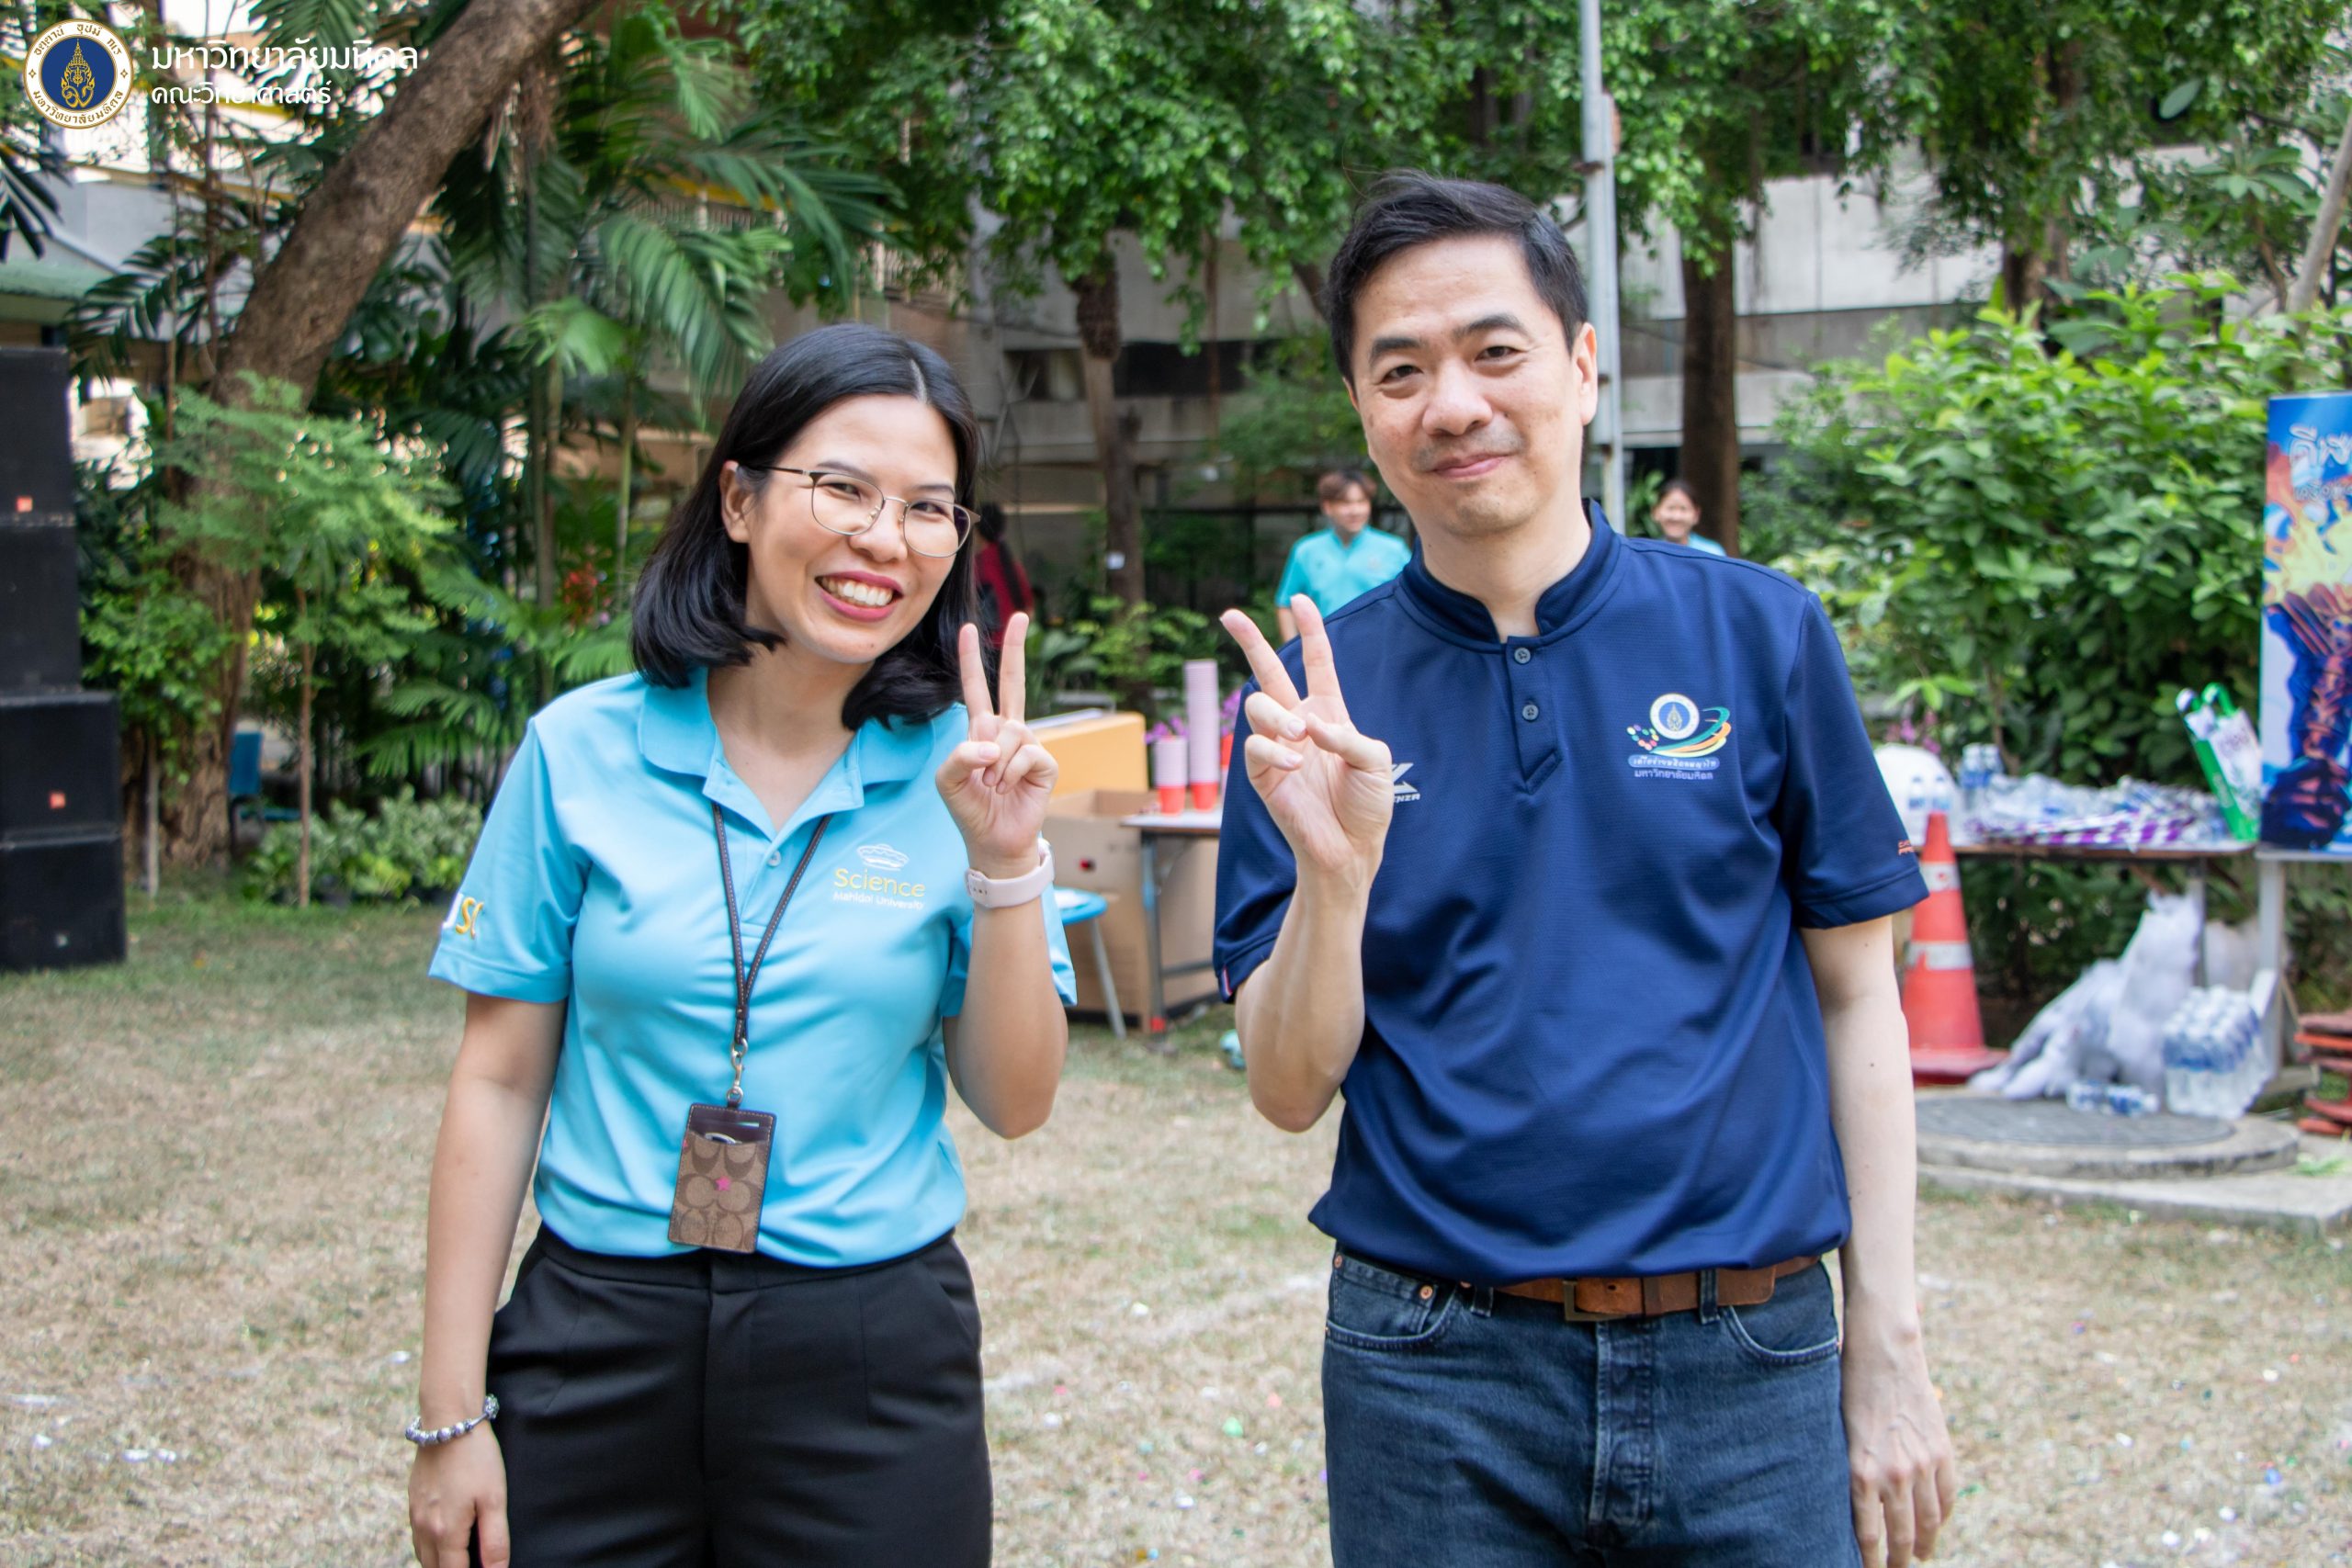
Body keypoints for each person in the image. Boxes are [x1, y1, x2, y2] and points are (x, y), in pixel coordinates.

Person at [1214, 174, 1957, 1568]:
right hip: (1431, 1373)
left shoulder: (1759, 634)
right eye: (1401, 371)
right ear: (1365, 413)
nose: (1453, 404)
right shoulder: (1312, 705)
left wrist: (1888, 1344)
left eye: (1494, 350)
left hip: (1754, 1356)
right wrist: (1334, 873)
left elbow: (1860, 996)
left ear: (1582, 365)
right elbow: (1287, 1085)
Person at [404, 322, 1076, 1568]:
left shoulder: (973, 773)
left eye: (928, 508)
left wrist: (1002, 863)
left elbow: (1016, 1100)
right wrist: (450, 1415)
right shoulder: (578, 752)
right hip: (596, 1337)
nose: (885, 539)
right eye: (844, 488)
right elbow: (497, 1083)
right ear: (738, 498)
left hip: (869, 1353)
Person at [1274, 468, 1411, 643]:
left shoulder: (1394, 549)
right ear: (1327, 507)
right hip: (1325, 649)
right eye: (1345, 503)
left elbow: (1413, 601)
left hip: (1380, 647)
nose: (1355, 510)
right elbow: (1286, 604)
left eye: (1361, 502)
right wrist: (1292, 652)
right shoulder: (1306, 550)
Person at [970, 501, 1035, 650]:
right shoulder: (1013, 567)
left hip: (986, 646)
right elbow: (1029, 610)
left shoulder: (974, 568)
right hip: (1013, 645)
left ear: (977, 531)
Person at [1651, 476, 1726, 555]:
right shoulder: (1649, 553)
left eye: (1683, 509)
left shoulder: (1712, 553)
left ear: (1696, 515)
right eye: (1670, 508)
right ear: (1655, 512)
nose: (1676, 517)